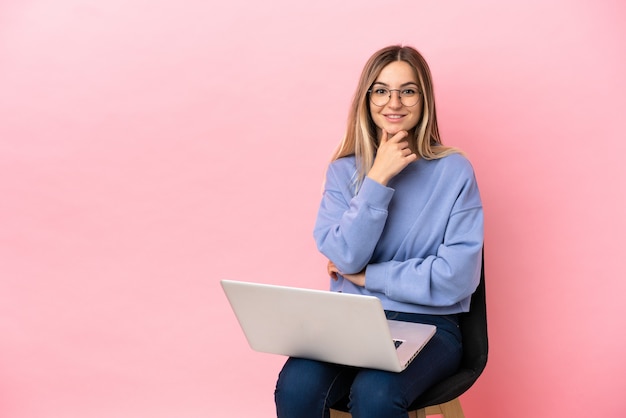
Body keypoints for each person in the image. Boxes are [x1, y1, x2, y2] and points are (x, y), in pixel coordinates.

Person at [274, 45, 484, 418]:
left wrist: (369, 276)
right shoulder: (344, 172)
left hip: (430, 325)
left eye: (408, 90)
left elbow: (457, 278)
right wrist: (377, 179)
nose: (394, 102)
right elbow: (345, 257)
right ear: (367, 98)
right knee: (296, 386)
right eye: (382, 90)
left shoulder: (454, 171)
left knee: (377, 391)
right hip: (351, 321)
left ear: (424, 99)